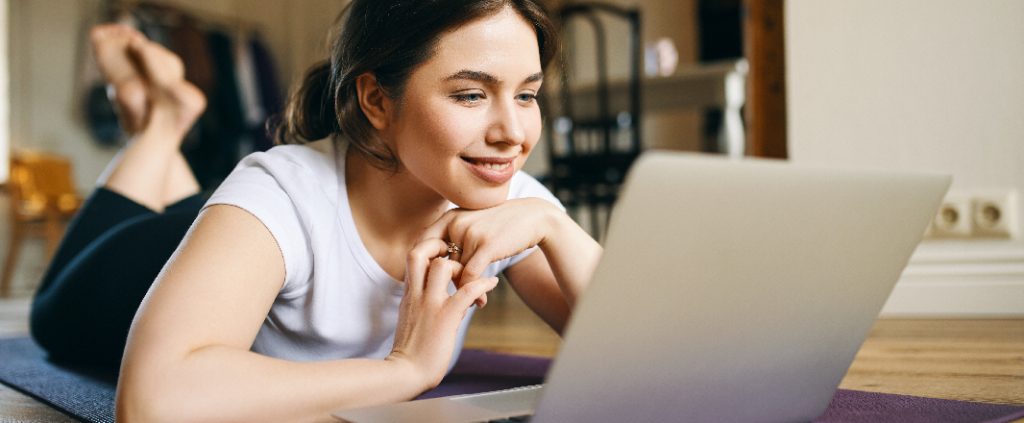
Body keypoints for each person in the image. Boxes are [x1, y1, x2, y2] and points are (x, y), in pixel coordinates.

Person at [31, 1, 603, 422]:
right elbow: (153, 402)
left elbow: (651, 352)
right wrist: (402, 371)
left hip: (235, 240)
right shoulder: (281, 191)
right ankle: (161, 121)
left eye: (526, 95)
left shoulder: (499, 191)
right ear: (377, 99)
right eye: (471, 95)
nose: (512, 134)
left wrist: (554, 226)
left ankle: (165, 123)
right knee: (49, 314)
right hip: (124, 275)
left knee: (203, 211)